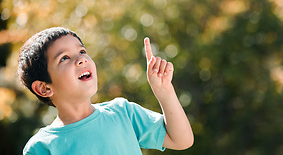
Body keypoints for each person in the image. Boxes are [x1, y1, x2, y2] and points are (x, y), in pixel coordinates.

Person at [19, 27, 194, 154]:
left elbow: (182, 140)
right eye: (64, 58)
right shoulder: (41, 147)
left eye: (82, 51)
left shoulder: (123, 112)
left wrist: (164, 90)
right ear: (44, 88)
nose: (81, 59)